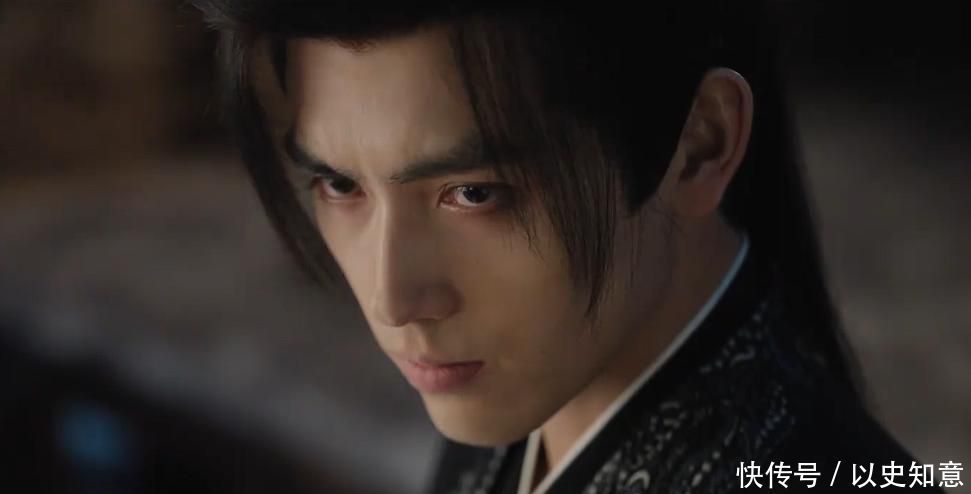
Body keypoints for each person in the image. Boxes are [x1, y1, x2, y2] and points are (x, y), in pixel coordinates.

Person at [192, 2, 944, 492]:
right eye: (339, 185)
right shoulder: (523, 398)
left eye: (474, 193)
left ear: (698, 145)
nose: (394, 298)